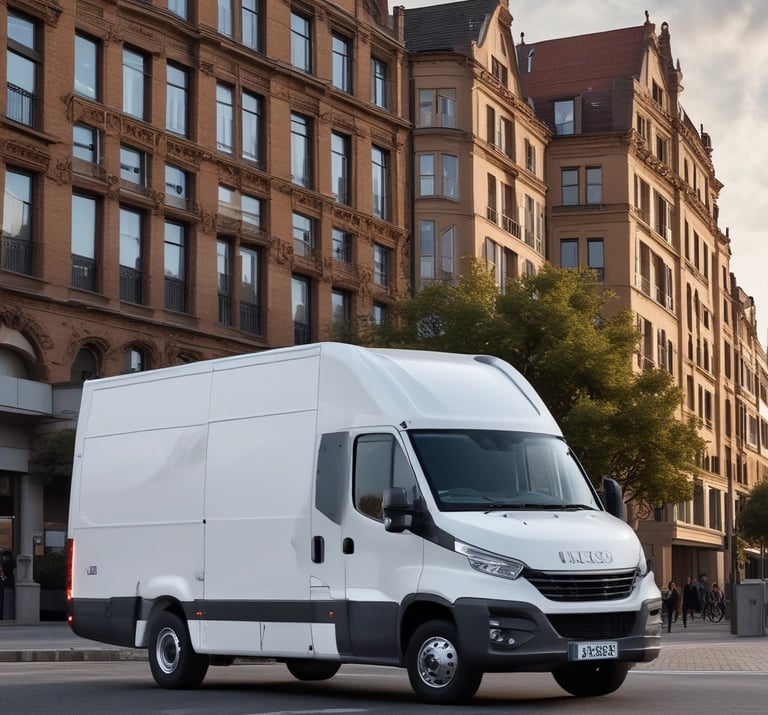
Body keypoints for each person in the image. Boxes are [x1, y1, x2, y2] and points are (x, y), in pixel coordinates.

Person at [0, 550, 15, 620]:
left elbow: (3, 575)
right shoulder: (13, 563)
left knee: (4, 601)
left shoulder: (5, 565)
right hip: (9, 583)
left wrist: (3, 579)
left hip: (5, 584)